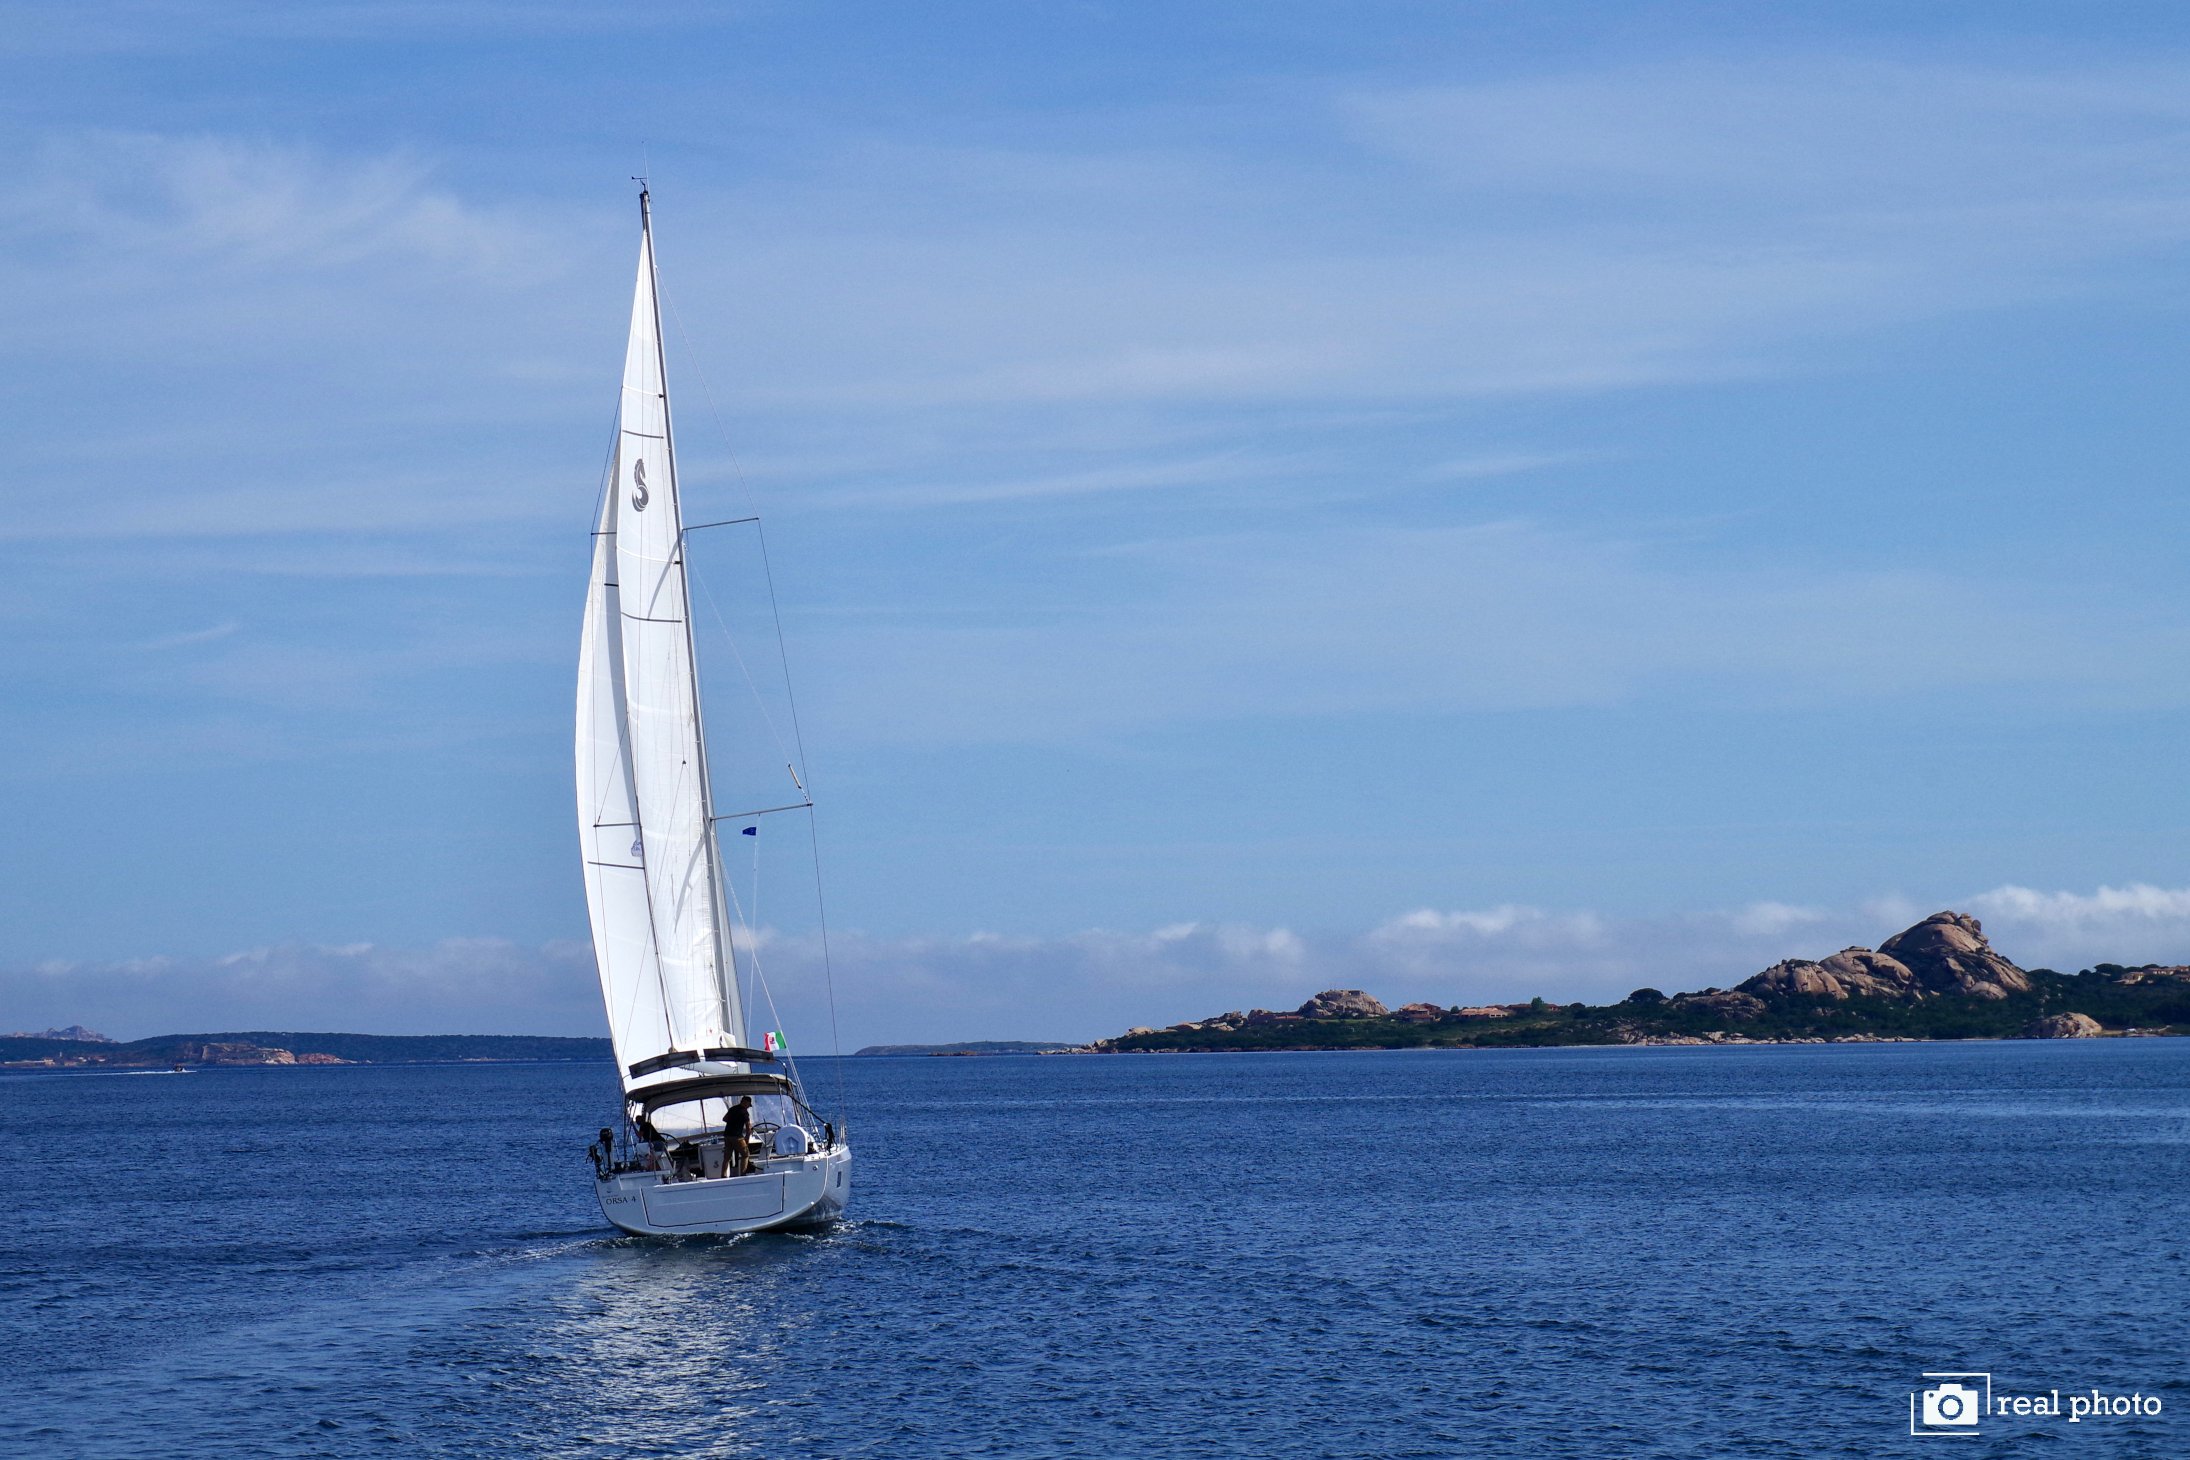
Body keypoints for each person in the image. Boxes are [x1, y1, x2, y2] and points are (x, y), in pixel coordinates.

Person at [723, 1095, 753, 1176]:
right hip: (737, 1137)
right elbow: (748, 1128)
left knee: (727, 1158)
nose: (748, 1107)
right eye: (748, 1105)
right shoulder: (744, 1112)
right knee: (745, 1154)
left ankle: (723, 1175)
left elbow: (724, 1119)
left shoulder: (733, 1109)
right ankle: (743, 1174)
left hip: (727, 1136)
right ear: (746, 1102)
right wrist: (747, 1139)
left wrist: (733, 1122)